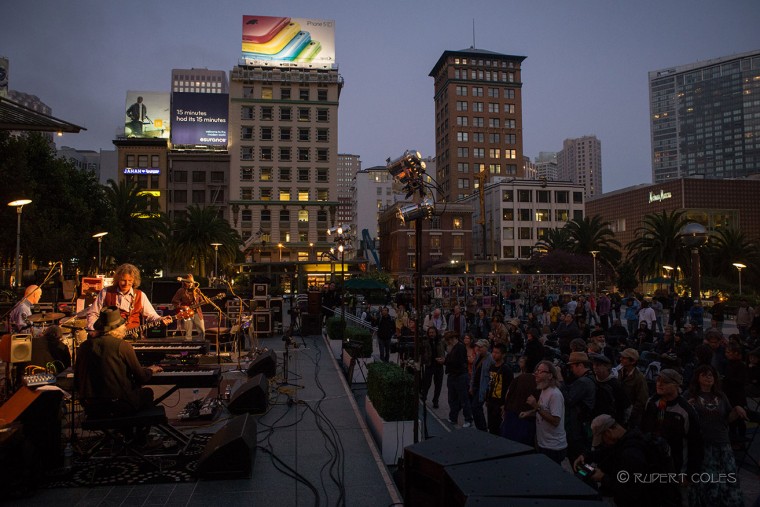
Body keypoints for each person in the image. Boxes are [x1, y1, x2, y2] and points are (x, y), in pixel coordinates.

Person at [77, 307, 163, 417]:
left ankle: (122, 431)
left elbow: (78, 378)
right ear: (118, 328)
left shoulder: (84, 346)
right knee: (147, 393)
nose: (125, 327)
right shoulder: (122, 345)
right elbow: (141, 377)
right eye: (123, 325)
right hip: (118, 404)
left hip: (91, 407)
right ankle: (135, 432)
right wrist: (150, 370)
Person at [685, 365, 746, 507]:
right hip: (703, 444)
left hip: (723, 443)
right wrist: (687, 407)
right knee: (708, 482)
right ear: (698, 378)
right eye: (705, 375)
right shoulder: (690, 395)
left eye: (711, 375)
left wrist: (737, 409)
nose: (708, 377)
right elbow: (682, 416)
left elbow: (728, 418)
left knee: (729, 478)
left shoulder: (720, 396)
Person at [573, 415, 666, 507]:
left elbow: (630, 491)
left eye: (603, 439)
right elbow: (606, 453)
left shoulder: (631, 454)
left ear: (609, 432)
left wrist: (603, 478)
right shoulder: (626, 439)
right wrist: (585, 456)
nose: (604, 443)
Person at [640, 369, 703, 476]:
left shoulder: (686, 411)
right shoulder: (651, 402)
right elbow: (644, 429)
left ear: (675, 385)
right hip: (650, 464)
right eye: (658, 380)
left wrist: (690, 474)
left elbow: (696, 444)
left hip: (675, 468)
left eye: (665, 382)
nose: (659, 384)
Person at [85, 263, 172, 336]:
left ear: (134, 280)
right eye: (123, 280)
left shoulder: (140, 295)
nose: (126, 283)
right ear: (118, 279)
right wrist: (93, 330)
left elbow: (151, 315)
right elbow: (93, 313)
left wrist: (161, 319)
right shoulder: (105, 292)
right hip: (109, 338)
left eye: (130, 280)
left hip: (133, 336)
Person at [525, 360, 567, 464]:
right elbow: (543, 411)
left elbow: (555, 421)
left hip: (553, 447)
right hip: (543, 443)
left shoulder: (555, 395)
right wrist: (529, 413)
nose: (536, 373)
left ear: (550, 375)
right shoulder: (544, 389)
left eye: (541, 371)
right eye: (537, 370)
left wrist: (535, 406)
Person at [563, 351, 596, 462]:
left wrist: (560, 381)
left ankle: (583, 478)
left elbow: (568, 400)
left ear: (580, 365)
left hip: (578, 430)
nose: (571, 370)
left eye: (572, 366)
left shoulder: (583, 382)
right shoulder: (591, 378)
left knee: (578, 460)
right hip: (584, 426)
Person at [443, 331, 472, 427]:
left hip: (460, 376)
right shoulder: (453, 348)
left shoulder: (460, 347)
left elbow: (457, 362)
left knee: (464, 399)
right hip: (453, 375)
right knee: (452, 399)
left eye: (448, 341)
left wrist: (445, 361)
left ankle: (468, 419)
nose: (448, 343)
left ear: (452, 339)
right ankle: (453, 417)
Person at [485, 343, 513, 435]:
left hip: (500, 403)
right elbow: (490, 383)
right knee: (491, 427)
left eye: (497, 352)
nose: (494, 354)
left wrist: (505, 404)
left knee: (498, 428)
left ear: (503, 355)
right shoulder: (492, 367)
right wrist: (487, 398)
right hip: (491, 402)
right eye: (493, 352)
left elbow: (510, 389)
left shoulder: (506, 369)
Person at [617, 348, 649, 428]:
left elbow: (642, 400)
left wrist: (631, 414)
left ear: (633, 361)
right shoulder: (620, 372)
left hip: (631, 416)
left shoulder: (639, 378)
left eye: (624, 358)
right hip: (619, 410)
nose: (621, 359)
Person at [171, 274, 205, 341]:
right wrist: (182, 307)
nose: (190, 283)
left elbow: (202, 300)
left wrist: (204, 301)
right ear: (184, 282)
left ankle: (201, 344)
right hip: (187, 313)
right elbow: (174, 302)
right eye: (188, 282)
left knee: (202, 330)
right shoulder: (181, 291)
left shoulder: (197, 290)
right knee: (188, 332)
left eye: (191, 281)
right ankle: (188, 346)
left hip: (197, 312)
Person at [469, 338, 493, 430]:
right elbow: (474, 372)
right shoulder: (478, 357)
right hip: (476, 385)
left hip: (482, 387)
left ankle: (482, 428)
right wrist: (471, 386)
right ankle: (480, 427)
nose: (478, 348)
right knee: (475, 408)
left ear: (486, 347)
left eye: (480, 346)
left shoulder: (490, 359)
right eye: (477, 346)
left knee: (476, 407)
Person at [420, 326, 445, 408]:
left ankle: (435, 400)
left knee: (438, 385)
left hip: (439, 365)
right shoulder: (425, 341)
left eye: (433, 332)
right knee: (426, 383)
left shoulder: (440, 341)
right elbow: (422, 352)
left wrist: (443, 359)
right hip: (429, 365)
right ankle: (424, 397)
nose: (431, 334)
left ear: (436, 333)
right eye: (430, 333)